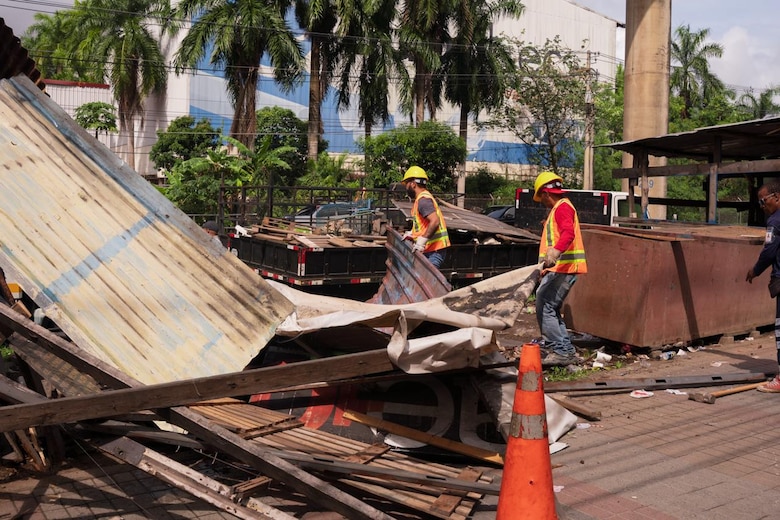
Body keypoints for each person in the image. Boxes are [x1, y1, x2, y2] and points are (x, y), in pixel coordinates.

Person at [533, 171, 587, 367]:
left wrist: (555, 253)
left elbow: (568, 234)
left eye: (542, 198)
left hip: (564, 268)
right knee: (550, 307)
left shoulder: (562, 208)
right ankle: (565, 350)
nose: (543, 202)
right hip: (562, 268)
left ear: (547, 194)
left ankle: (559, 350)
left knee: (544, 305)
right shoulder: (561, 208)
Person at [746, 181, 780, 392]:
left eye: (763, 200)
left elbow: (768, 251)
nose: (761, 205)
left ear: (776, 197)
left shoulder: (775, 222)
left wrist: (755, 270)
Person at [402, 166, 450, 269]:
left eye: (406, 184)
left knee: (426, 282)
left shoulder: (423, 200)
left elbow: (435, 221)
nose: (406, 188)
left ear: (413, 184)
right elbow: (423, 224)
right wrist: (412, 234)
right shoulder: (422, 199)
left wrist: (422, 241)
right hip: (431, 250)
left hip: (434, 251)